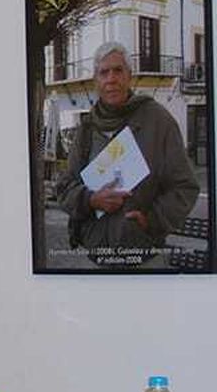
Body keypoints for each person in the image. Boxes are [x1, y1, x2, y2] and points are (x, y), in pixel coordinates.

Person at [56, 41, 199, 262]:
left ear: (129, 76)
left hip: (144, 257)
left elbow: (185, 187)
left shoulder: (158, 121)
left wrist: (152, 220)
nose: (111, 79)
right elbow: (64, 187)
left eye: (118, 70)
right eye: (104, 72)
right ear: (96, 81)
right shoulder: (86, 127)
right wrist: (91, 200)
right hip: (95, 255)